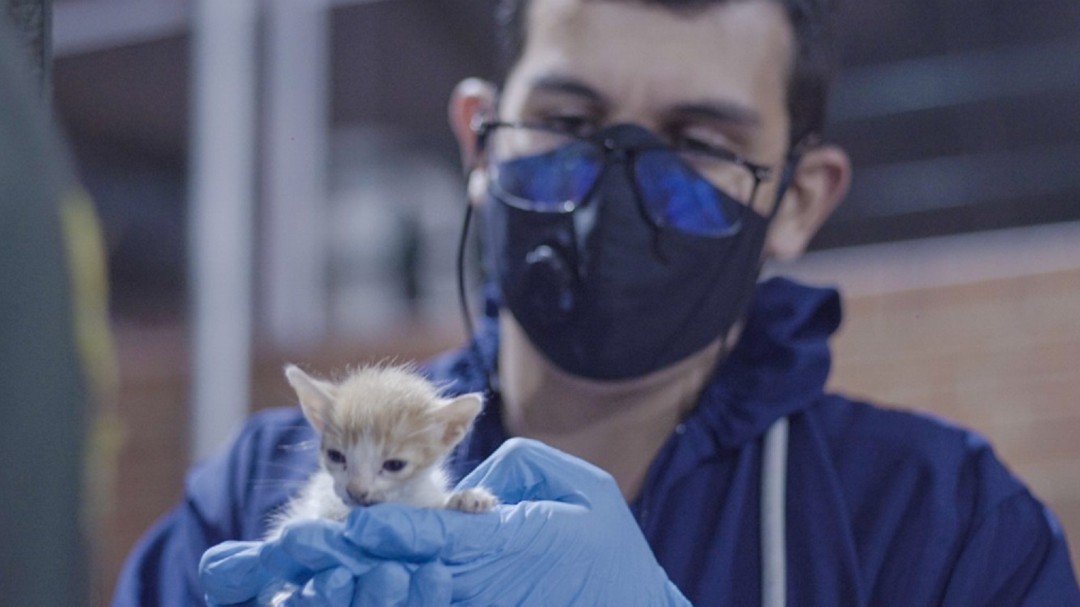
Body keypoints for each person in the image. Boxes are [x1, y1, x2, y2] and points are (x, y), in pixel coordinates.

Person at [114, 0, 1080, 605]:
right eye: (568, 121)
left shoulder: (940, 531)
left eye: (698, 141)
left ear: (798, 198)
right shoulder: (252, 499)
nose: (618, 177)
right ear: (480, 140)